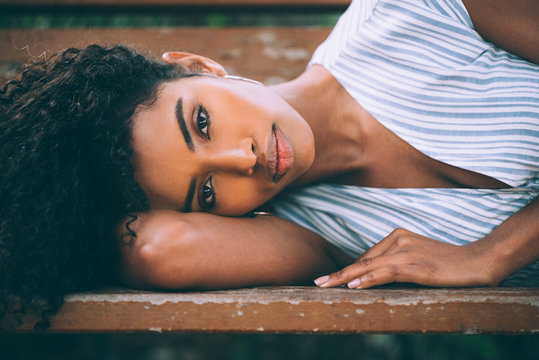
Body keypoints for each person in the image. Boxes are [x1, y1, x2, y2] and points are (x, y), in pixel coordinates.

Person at [1, 0, 537, 319]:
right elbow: (159, 249)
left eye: (201, 123)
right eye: (205, 192)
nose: (242, 161)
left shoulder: (412, 16)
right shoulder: (320, 234)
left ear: (200, 66)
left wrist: (493, 255)